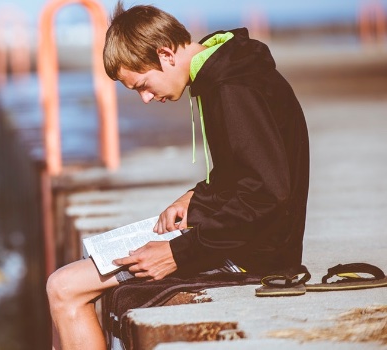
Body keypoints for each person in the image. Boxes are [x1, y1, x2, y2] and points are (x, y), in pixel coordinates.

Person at [46, 2, 310, 349]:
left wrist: (178, 254)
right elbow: (249, 171)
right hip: (244, 239)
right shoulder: (225, 72)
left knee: (64, 288)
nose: (145, 98)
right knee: (78, 275)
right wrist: (197, 197)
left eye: (142, 84)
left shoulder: (233, 89)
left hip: (256, 256)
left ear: (166, 54)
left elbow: (267, 195)